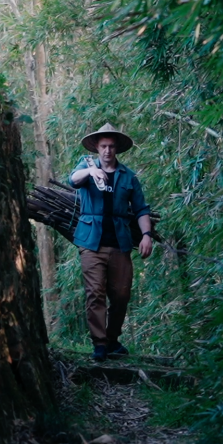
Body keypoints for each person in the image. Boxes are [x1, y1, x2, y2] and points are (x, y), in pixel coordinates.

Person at [68, 123, 153, 362]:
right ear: (97, 146)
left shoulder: (128, 177)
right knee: (95, 293)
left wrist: (146, 235)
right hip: (90, 242)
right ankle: (100, 344)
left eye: (111, 146)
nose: (107, 150)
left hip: (120, 243)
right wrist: (90, 172)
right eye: (103, 146)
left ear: (116, 149)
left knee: (121, 294)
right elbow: (73, 180)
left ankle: (113, 339)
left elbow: (141, 209)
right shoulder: (86, 167)